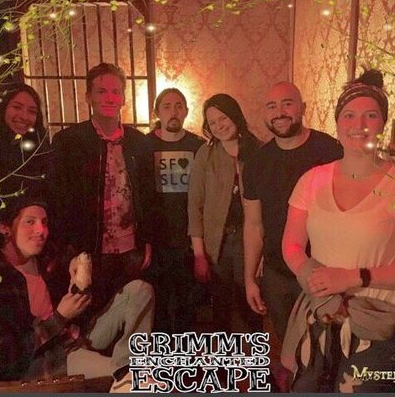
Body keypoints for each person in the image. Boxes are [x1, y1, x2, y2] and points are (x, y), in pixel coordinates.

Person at [281, 69, 395, 392]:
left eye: (370, 115)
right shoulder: (312, 180)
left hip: (376, 322)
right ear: (337, 123)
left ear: (383, 123)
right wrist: (311, 276)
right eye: (349, 115)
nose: (359, 124)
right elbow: (291, 244)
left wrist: (352, 277)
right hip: (320, 315)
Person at [0, 196, 154, 392]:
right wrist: (60, 317)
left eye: (44, 222)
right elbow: (4, 358)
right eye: (30, 222)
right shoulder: (1, 279)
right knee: (133, 379)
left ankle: (129, 366)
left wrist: (77, 262)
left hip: (76, 336)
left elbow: (86, 273)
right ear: (5, 228)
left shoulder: (46, 258)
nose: (41, 230)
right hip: (50, 358)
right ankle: (126, 375)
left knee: (140, 291)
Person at [50, 63, 154, 319]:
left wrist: (148, 240)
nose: (109, 98)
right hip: (88, 250)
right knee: (89, 317)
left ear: (123, 98)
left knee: (132, 314)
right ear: (89, 96)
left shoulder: (139, 142)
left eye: (116, 92)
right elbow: (59, 199)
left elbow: (148, 196)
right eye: (102, 91)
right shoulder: (68, 142)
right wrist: (69, 250)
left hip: (130, 247)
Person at [242, 81, 343, 342]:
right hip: (277, 275)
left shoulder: (331, 151)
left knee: (327, 345)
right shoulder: (256, 162)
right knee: (289, 345)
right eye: (271, 106)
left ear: (303, 108)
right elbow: (253, 225)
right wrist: (250, 278)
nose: (279, 112)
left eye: (287, 104)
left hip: (325, 270)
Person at [188, 93, 261, 333]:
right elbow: (195, 206)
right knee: (221, 306)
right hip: (217, 243)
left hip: (251, 241)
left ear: (235, 115)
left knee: (251, 305)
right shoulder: (206, 154)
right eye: (212, 122)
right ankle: (226, 354)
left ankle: (254, 353)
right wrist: (199, 254)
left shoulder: (258, 150)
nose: (219, 126)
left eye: (223, 118)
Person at [146, 88, 204, 334]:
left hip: (188, 237)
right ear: (157, 112)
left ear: (186, 111)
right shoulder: (144, 145)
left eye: (179, 106)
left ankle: (185, 351)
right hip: (156, 238)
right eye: (167, 106)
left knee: (186, 302)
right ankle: (162, 352)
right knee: (157, 302)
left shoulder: (198, 146)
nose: (173, 112)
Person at [0, 84, 51, 204]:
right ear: (2, 108)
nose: (24, 117)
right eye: (17, 107)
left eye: (32, 111)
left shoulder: (40, 150)